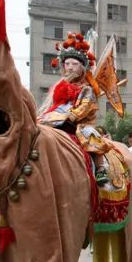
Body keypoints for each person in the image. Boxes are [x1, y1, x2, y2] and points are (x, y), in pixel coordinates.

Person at [37, 33, 112, 186]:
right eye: (67, 64)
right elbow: (56, 103)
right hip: (58, 121)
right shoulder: (60, 86)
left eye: (75, 64)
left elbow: (86, 105)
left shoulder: (87, 89)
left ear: (82, 68)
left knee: (91, 136)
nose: (70, 67)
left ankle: (100, 169)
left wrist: (73, 115)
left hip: (79, 123)